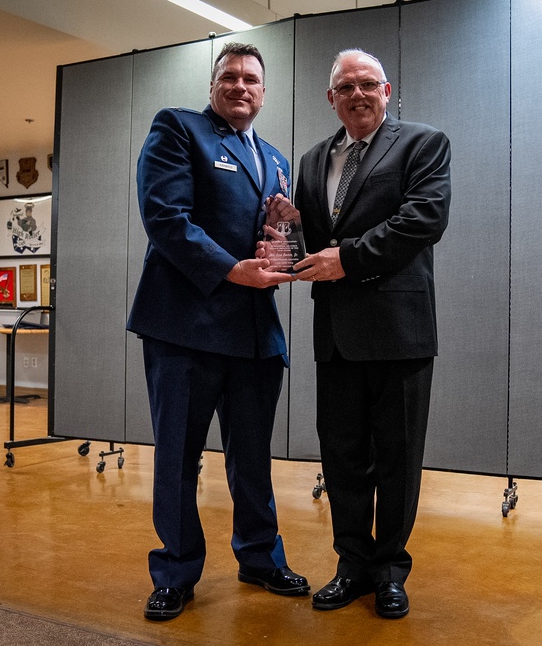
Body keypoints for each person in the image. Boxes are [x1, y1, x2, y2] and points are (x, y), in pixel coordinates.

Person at [127, 42, 308, 621]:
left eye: (251, 79)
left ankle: (259, 556)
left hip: (255, 333)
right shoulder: (179, 129)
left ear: (264, 90)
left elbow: (276, 246)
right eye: (229, 77)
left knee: (252, 456)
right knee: (179, 456)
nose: (240, 86)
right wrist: (233, 269)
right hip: (185, 327)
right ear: (213, 85)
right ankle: (176, 572)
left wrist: (286, 234)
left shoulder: (275, 158)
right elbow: (165, 218)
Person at [291, 50, 451, 619]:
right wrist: (287, 230)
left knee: (398, 460)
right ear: (329, 98)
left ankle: (389, 572)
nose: (357, 95)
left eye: (367, 85)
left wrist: (347, 260)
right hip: (334, 336)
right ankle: (352, 565)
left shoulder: (422, 144)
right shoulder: (311, 160)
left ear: (387, 91)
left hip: (399, 333)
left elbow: (423, 220)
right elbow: (315, 240)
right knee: (341, 459)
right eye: (345, 87)